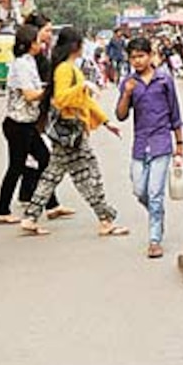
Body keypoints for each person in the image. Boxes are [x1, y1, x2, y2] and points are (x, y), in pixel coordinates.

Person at [19, 27, 129, 239]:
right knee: (87, 175)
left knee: (52, 175)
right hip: (71, 132)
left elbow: (84, 101)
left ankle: (31, 217)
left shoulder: (67, 68)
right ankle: (105, 219)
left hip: (68, 132)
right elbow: (61, 99)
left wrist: (106, 122)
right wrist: (84, 86)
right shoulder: (65, 70)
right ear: (76, 46)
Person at [117, 36, 183, 259]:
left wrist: (180, 146)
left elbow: (175, 114)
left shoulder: (164, 80)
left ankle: (155, 239)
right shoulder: (129, 82)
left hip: (161, 143)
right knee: (140, 190)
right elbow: (121, 115)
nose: (137, 61)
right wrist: (127, 94)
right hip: (140, 144)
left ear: (150, 55)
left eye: (141, 56)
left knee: (155, 193)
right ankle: (157, 213)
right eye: (133, 57)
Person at [0, 25, 51, 225]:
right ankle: (2, 209)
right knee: (16, 167)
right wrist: (50, 92)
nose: (41, 43)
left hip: (26, 123)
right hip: (18, 124)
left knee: (44, 159)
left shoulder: (29, 62)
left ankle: (48, 204)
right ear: (29, 44)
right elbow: (29, 95)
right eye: (37, 40)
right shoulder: (21, 65)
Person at [22, 12, 72, 218]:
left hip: (34, 116)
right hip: (26, 117)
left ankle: (30, 197)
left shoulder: (39, 55)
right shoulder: (28, 59)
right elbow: (30, 90)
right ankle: (44, 205)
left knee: (31, 160)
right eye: (47, 31)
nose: (50, 35)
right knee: (40, 159)